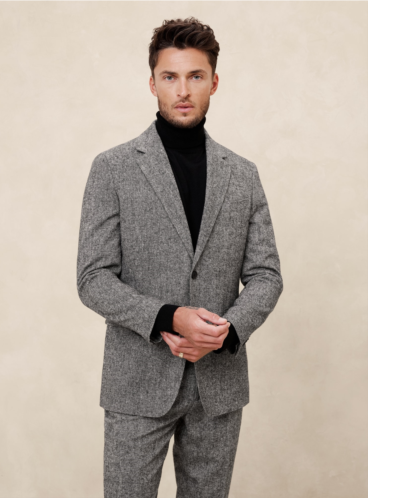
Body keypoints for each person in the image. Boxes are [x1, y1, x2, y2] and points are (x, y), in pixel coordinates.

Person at [77, 17, 283, 498]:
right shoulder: (113, 169)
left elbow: (267, 274)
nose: (183, 90)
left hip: (219, 384)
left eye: (195, 76)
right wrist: (169, 317)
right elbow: (93, 277)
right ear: (153, 83)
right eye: (170, 77)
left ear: (215, 82)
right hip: (137, 380)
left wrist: (226, 331)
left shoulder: (243, 175)